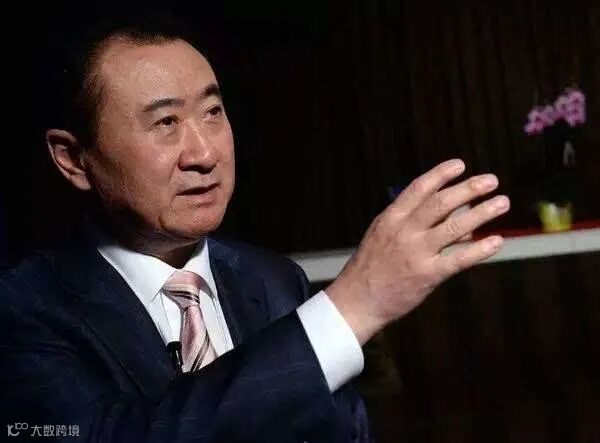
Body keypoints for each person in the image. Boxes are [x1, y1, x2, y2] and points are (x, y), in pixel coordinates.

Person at [0, 17, 510, 443]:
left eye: (212, 112)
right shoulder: (26, 308)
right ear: (73, 159)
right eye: (165, 123)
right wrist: (352, 307)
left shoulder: (275, 282)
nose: (204, 153)